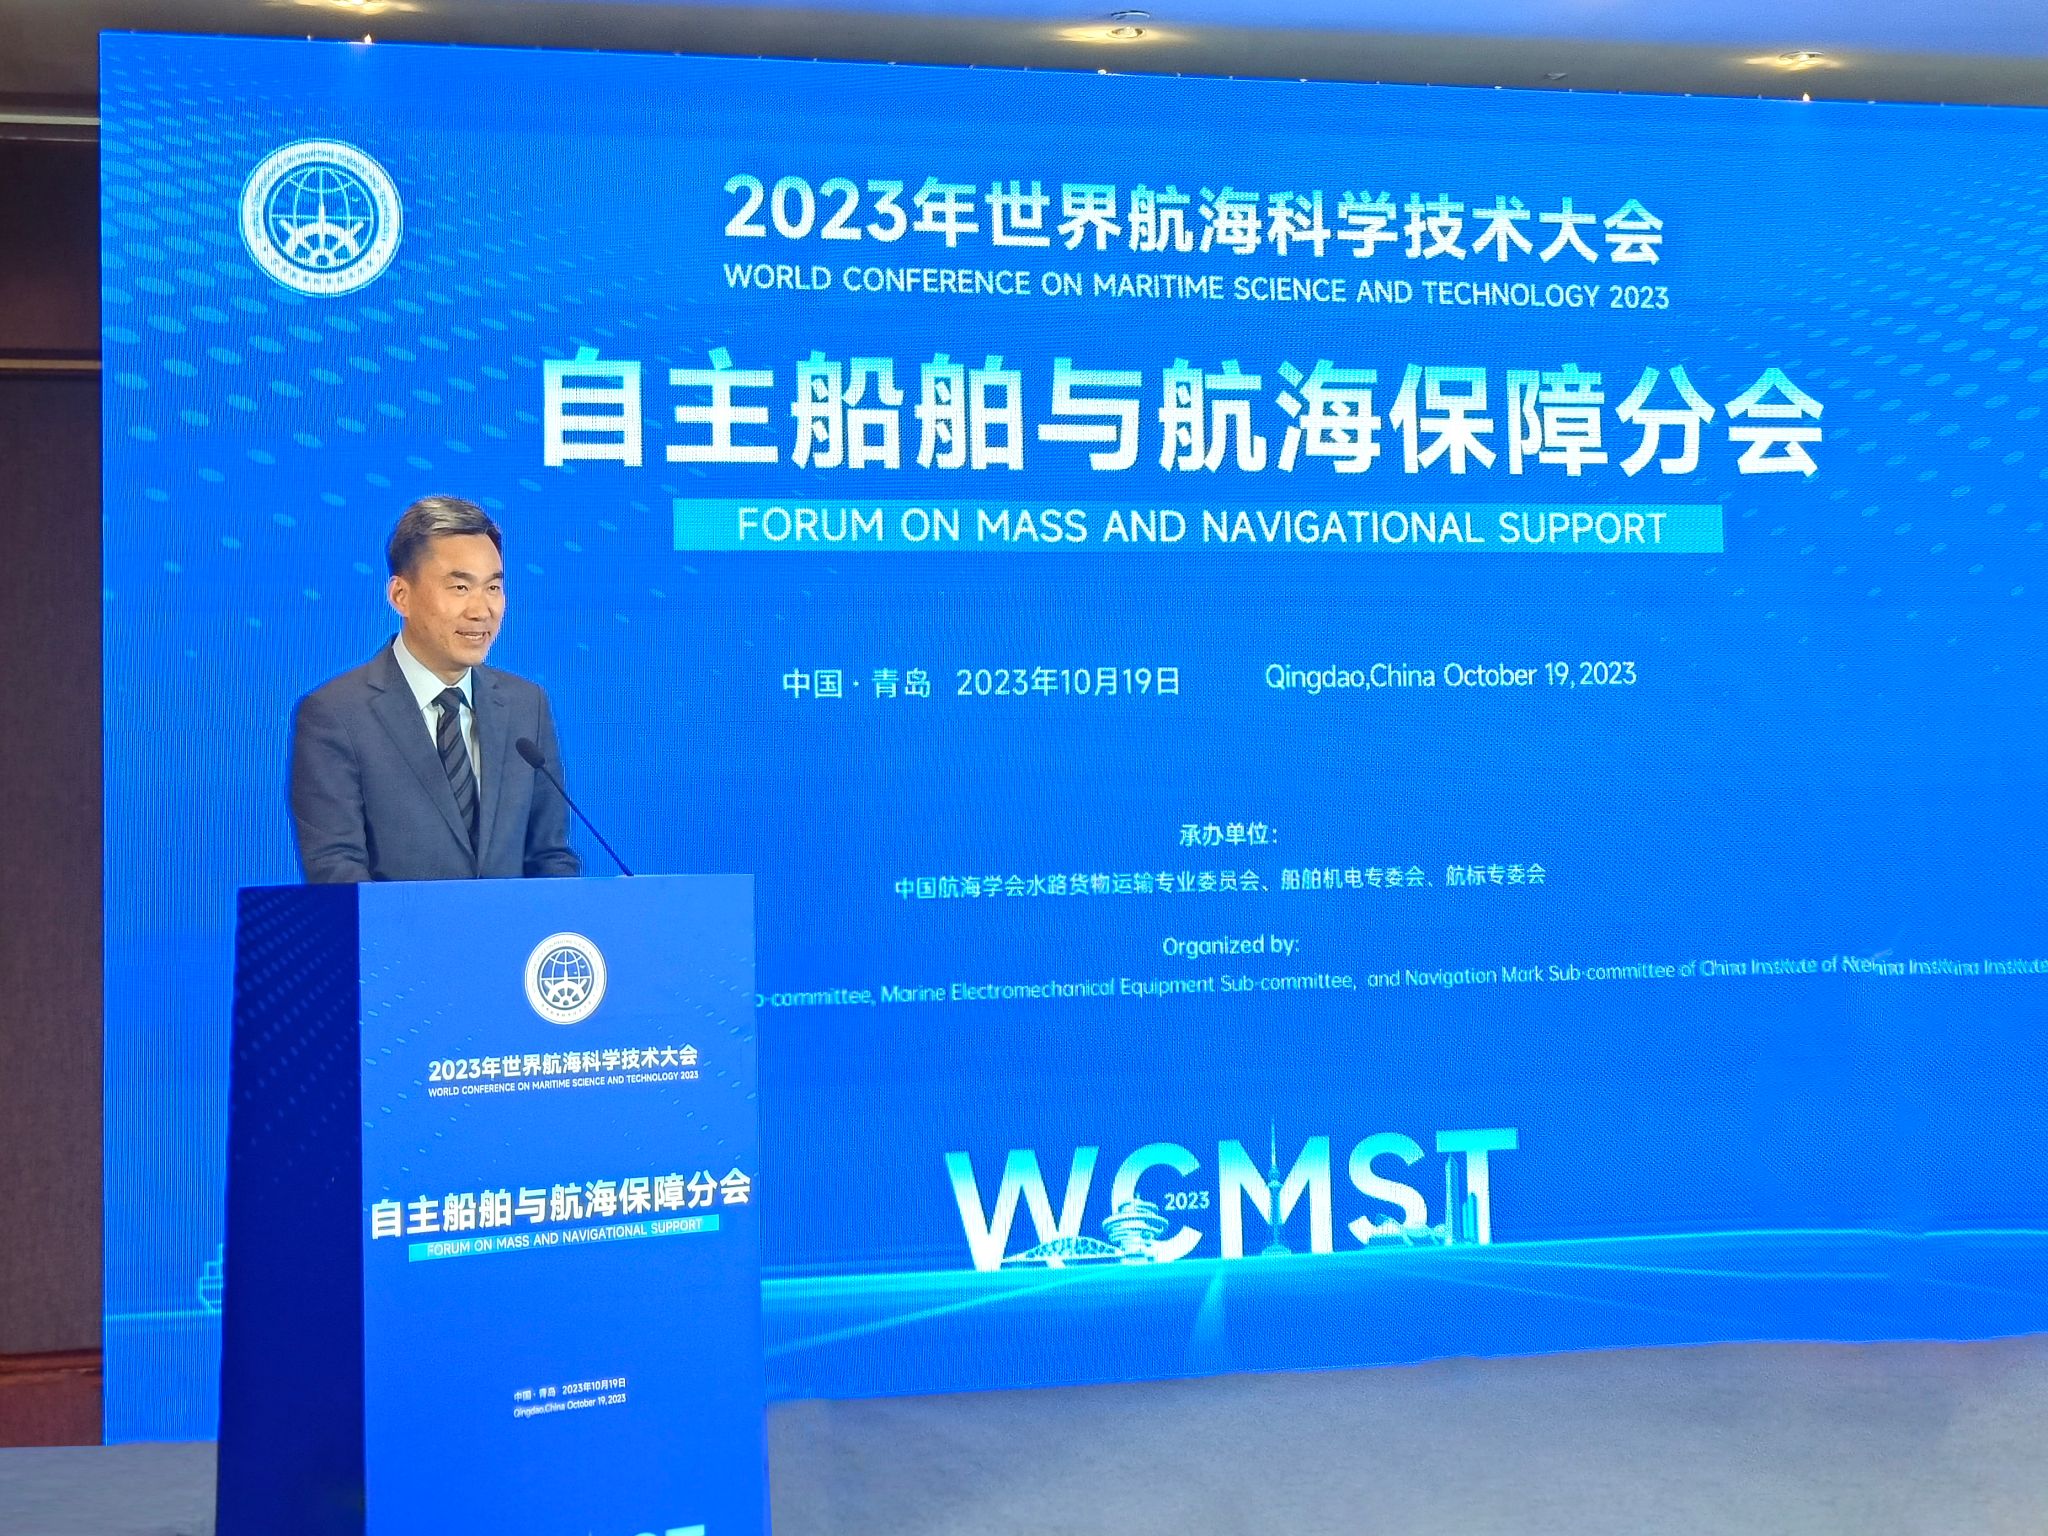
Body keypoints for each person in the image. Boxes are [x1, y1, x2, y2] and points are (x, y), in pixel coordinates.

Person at [290, 495, 581, 882]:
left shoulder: (527, 705)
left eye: (493, 588)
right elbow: (335, 872)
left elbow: (550, 856)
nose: (481, 610)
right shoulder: (337, 715)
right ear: (400, 596)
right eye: (460, 587)